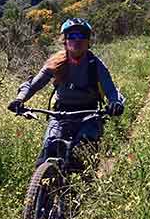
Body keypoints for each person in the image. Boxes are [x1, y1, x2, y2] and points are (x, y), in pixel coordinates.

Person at [7, 18, 125, 170]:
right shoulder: (56, 62)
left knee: (82, 155)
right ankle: (40, 189)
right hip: (61, 113)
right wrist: (19, 99)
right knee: (47, 152)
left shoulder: (95, 63)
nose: (77, 40)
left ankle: (85, 188)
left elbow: (110, 89)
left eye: (82, 36)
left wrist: (115, 103)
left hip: (89, 113)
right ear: (65, 41)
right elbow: (34, 85)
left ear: (88, 41)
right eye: (72, 36)